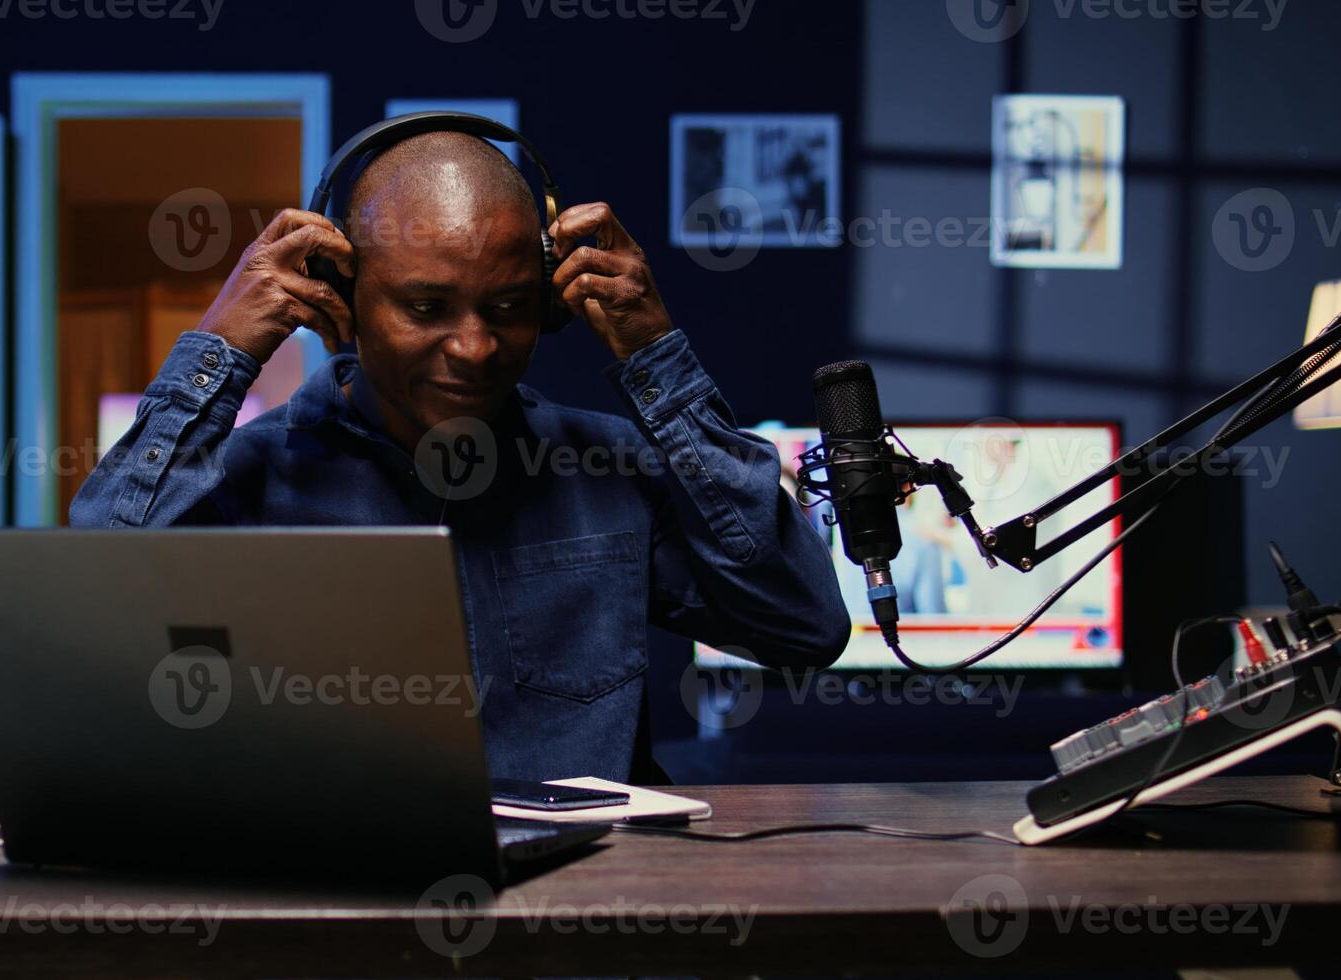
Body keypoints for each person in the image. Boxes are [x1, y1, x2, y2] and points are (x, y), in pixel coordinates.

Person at [72, 130, 849, 781]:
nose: (475, 348)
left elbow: (801, 628)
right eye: (425, 308)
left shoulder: (608, 471)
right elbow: (86, 624)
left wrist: (656, 356)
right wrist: (216, 355)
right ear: (338, 292)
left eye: (509, 308)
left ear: (550, 302)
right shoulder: (251, 479)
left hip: (579, 929)